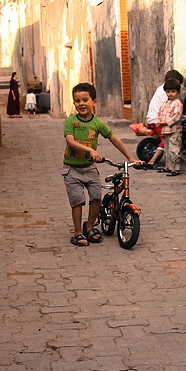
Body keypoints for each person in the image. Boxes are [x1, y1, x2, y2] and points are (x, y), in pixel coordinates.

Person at [62, 82, 142, 247]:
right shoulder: (71, 121)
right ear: (74, 103)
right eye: (77, 101)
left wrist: (130, 157)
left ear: (94, 101)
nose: (81, 104)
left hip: (90, 168)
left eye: (85, 100)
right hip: (72, 169)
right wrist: (90, 150)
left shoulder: (97, 123)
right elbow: (70, 142)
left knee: (96, 198)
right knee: (77, 201)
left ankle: (90, 228)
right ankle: (77, 233)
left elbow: (114, 139)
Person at [144, 69, 184, 169]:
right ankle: (152, 161)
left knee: (167, 143)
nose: (170, 93)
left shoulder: (162, 89)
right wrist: (163, 122)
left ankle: (169, 166)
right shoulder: (167, 94)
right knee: (167, 142)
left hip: (155, 118)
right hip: (159, 121)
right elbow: (168, 112)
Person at [155, 78, 183, 176]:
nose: (170, 94)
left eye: (173, 91)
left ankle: (175, 168)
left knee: (173, 150)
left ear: (178, 92)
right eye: (168, 92)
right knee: (167, 150)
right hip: (165, 131)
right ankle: (168, 167)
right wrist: (159, 122)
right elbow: (160, 113)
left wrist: (165, 123)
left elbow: (176, 117)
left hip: (174, 131)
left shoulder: (177, 104)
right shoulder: (165, 103)